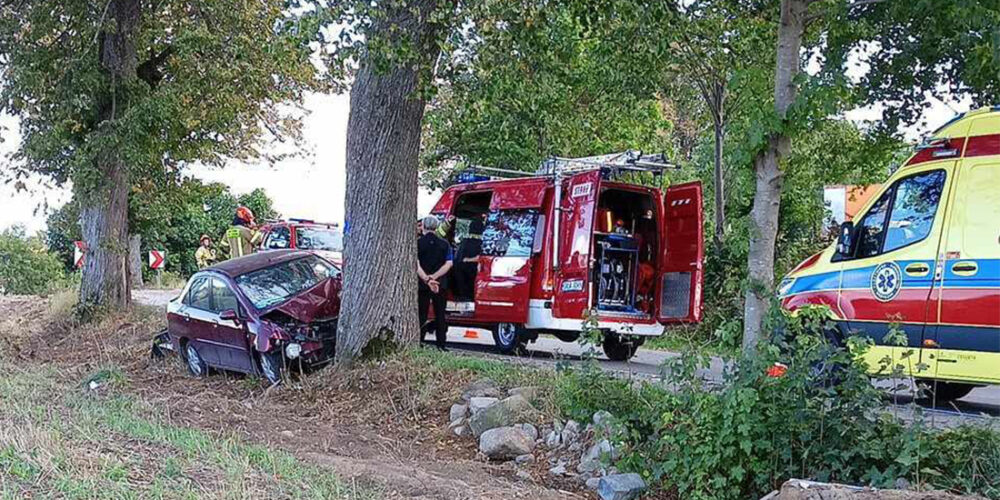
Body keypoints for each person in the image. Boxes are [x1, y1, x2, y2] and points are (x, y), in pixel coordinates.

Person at [417, 216, 453, 350]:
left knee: (421, 313)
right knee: (440, 314)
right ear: (437, 226)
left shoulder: (417, 243)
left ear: (424, 226)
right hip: (440, 284)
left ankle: (420, 341)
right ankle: (441, 345)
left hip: (422, 284)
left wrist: (426, 278)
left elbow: (416, 264)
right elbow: (449, 263)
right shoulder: (445, 244)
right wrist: (435, 277)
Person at [452, 217, 484, 300]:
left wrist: (466, 260)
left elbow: (458, 259)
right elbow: (481, 257)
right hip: (473, 276)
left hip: (461, 279)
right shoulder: (482, 244)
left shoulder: (464, 243)